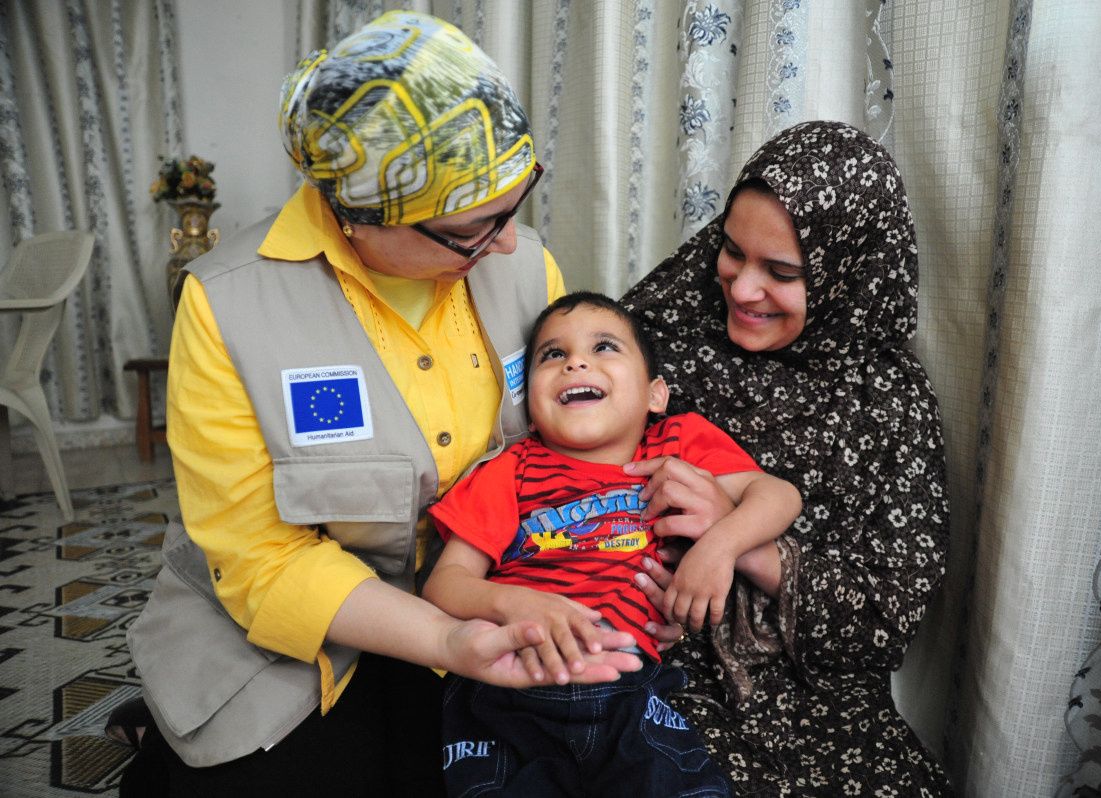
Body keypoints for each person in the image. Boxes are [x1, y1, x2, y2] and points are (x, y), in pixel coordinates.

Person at [117, 13, 640, 796]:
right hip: (295, 644)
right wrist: (448, 639)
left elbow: (572, 442)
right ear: (359, 218)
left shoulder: (527, 267)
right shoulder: (227, 304)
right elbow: (261, 560)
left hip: (487, 594)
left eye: (517, 201)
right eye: (476, 226)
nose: (507, 244)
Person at [622, 121, 953, 795]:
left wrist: (738, 539)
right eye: (731, 252)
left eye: (782, 273)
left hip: (811, 700)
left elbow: (885, 620)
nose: (741, 290)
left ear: (844, 277)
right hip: (637, 654)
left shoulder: (888, 400)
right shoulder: (655, 333)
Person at [423, 291, 802, 796]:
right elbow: (444, 585)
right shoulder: (510, 470)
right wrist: (517, 602)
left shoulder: (676, 443)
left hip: (627, 684)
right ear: (529, 403)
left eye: (605, 347)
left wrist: (719, 547)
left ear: (655, 394)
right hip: (506, 682)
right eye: (552, 355)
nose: (576, 360)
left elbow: (779, 495)